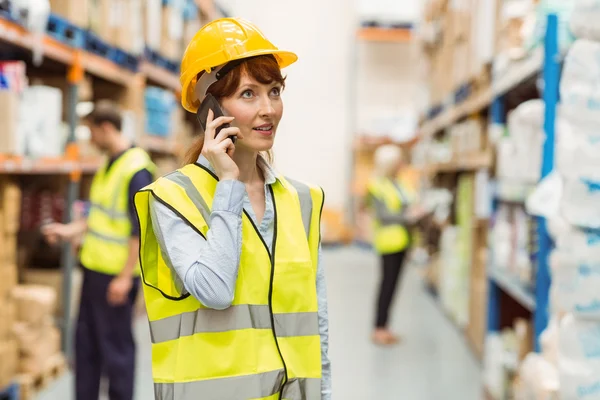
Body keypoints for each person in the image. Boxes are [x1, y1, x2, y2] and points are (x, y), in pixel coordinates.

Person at [133, 17, 331, 400]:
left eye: (274, 92)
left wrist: (324, 393)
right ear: (210, 108)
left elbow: (316, 320)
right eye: (248, 94)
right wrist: (228, 184)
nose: (268, 109)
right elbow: (215, 290)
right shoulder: (174, 198)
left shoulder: (302, 201)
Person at [42, 101, 156, 400]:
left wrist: (123, 278)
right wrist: (68, 230)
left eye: (92, 132)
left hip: (115, 278)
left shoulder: (137, 170)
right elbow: (101, 216)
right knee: (86, 346)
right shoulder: (111, 162)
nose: (90, 139)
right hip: (95, 272)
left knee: (116, 350)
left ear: (106, 128)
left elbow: (139, 231)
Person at [365, 144, 425, 346]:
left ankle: (385, 326)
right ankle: (379, 328)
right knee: (387, 285)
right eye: (399, 161)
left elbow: (407, 203)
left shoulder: (399, 183)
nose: (402, 164)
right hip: (389, 242)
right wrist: (408, 216)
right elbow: (383, 215)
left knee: (393, 285)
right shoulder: (377, 185)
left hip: (403, 241)